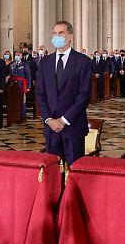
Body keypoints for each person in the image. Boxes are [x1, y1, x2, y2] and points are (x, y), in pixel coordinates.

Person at [35, 21, 92, 166]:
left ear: (70, 36)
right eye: (55, 33)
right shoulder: (45, 63)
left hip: (73, 127)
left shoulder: (82, 61)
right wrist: (49, 120)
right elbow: (40, 94)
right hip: (51, 128)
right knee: (53, 171)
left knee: (75, 171)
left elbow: (84, 95)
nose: (57, 36)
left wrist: (64, 120)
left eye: (61, 33)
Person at [9, 51, 31, 118]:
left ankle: (22, 115)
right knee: (14, 99)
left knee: (22, 100)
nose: (17, 56)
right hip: (13, 84)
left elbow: (28, 75)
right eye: (16, 55)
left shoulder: (25, 64)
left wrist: (28, 86)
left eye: (18, 55)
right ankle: (14, 114)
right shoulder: (12, 64)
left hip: (21, 84)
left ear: (21, 56)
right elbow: (11, 75)